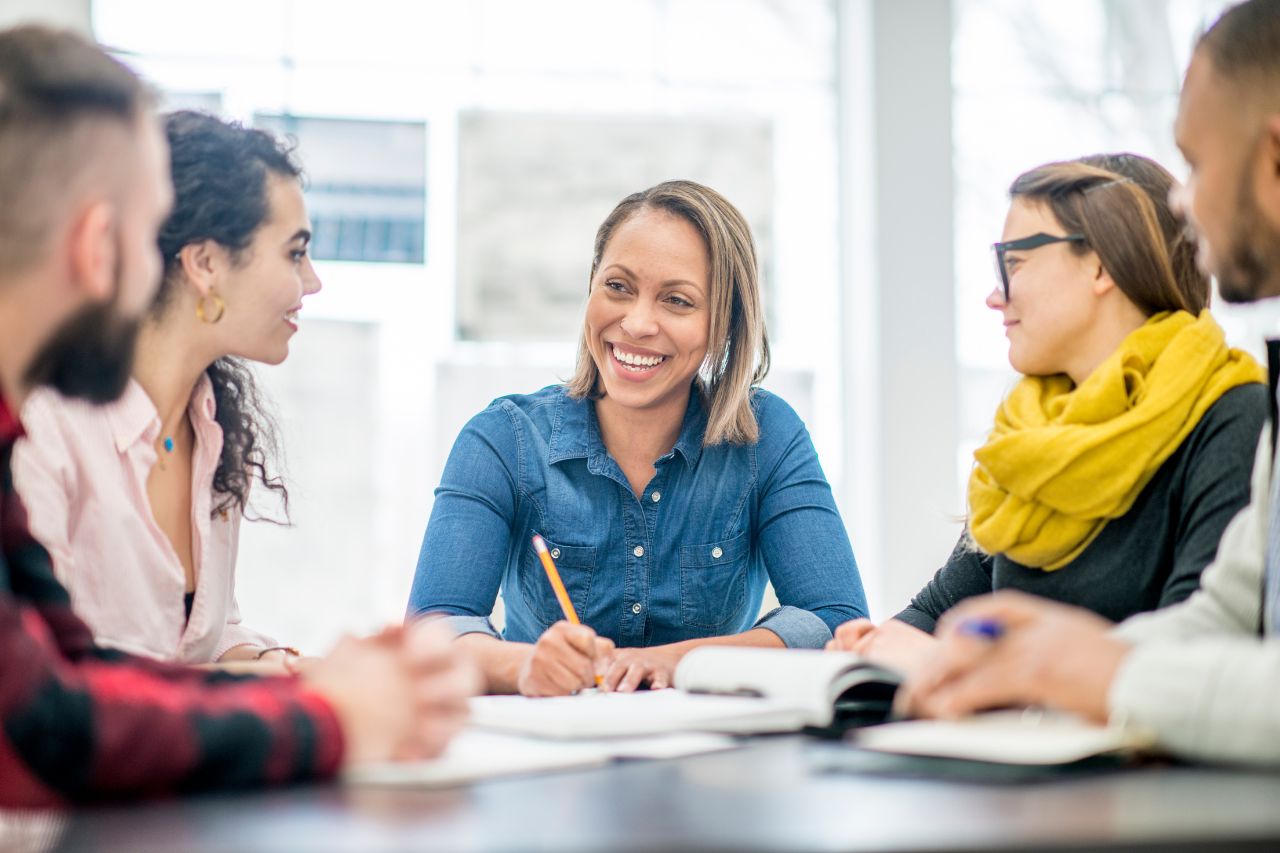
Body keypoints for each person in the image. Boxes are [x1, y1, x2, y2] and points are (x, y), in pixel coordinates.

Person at [0, 25, 473, 806]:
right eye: (148, 239)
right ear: (99, 247)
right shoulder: (44, 431)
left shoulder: (192, 425)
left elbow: (72, 663)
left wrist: (312, 684)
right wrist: (332, 715)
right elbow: (45, 729)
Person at [896, 0, 1280, 767]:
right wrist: (1040, 656)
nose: (1181, 200)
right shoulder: (1027, 443)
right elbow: (1228, 611)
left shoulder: (1229, 411)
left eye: (1198, 165)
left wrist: (1082, 669)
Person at [408, 179, 867, 696]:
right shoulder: (502, 440)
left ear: (725, 325)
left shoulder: (768, 438)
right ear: (591, 286)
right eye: (618, 287)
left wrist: (672, 662)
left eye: (677, 300)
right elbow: (431, 630)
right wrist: (521, 665)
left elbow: (836, 622)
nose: (637, 322)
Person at [827, 153, 1268, 675]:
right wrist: (870, 648)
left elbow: (1192, 660)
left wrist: (958, 662)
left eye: (1013, 263)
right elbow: (936, 612)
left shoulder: (1234, 415)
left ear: (1101, 264)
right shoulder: (1034, 433)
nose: (995, 296)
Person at [13, 111, 319, 668]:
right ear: (205, 263)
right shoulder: (46, 428)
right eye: (294, 253)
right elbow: (53, 683)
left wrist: (278, 665)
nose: (312, 282)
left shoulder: (212, 426)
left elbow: (196, 638)